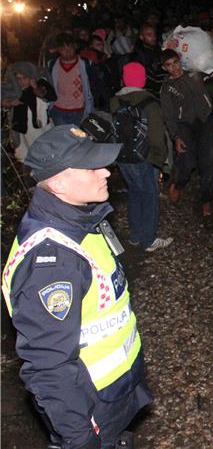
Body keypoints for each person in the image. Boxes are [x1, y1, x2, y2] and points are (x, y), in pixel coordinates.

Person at [2, 125, 152, 448]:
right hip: (91, 414)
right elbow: (49, 367)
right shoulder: (52, 260)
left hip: (112, 398)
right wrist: (82, 437)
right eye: (91, 166)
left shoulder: (78, 219)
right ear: (58, 182)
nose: (106, 173)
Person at [110, 62, 172, 252]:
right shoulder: (149, 103)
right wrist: (160, 160)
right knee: (150, 195)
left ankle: (136, 235)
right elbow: (156, 136)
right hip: (145, 157)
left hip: (122, 155)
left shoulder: (115, 101)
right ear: (143, 79)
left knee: (135, 193)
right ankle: (149, 240)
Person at [159, 49, 213, 216]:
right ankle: (178, 184)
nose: (174, 68)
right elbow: (168, 116)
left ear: (180, 61)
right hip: (184, 125)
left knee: (207, 163)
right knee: (188, 162)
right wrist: (175, 136)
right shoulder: (167, 89)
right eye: (169, 65)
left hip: (205, 121)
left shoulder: (194, 75)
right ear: (164, 68)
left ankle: (207, 199)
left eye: (175, 63)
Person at [4, 61, 55, 162]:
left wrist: (35, 87)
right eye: (18, 78)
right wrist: (8, 103)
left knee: (45, 154)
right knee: (27, 157)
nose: (22, 81)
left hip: (40, 128)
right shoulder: (13, 90)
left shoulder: (40, 84)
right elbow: (5, 100)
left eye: (24, 78)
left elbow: (51, 96)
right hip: (23, 130)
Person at [47, 32, 96, 126]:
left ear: (75, 47)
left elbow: (97, 84)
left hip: (80, 111)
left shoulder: (85, 64)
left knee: (78, 139)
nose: (67, 51)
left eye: (70, 47)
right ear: (58, 50)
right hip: (58, 111)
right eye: (63, 49)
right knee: (62, 139)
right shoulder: (52, 65)